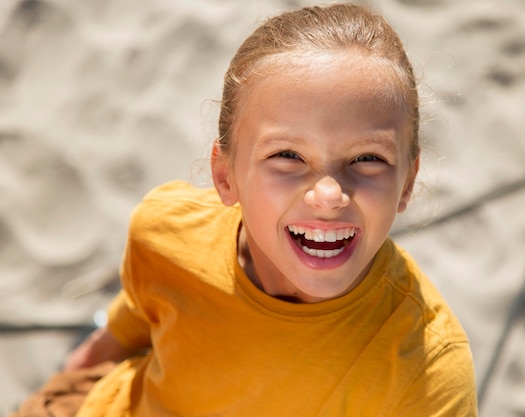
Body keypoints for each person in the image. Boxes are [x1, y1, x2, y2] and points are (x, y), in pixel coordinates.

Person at [13, 3, 478, 417]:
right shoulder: (166, 231)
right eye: (288, 156)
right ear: (225, 175)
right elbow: (113, 344)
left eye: (367, 159)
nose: (329, 195)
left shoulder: (428, 370)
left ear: (408, 182)